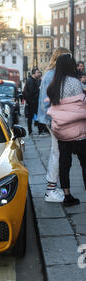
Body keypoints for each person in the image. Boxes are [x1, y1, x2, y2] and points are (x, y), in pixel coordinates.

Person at [47, 53, 86, 206]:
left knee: (64, 163)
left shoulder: (54, 85)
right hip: (77, 131)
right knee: (84, 163)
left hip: (61, 132)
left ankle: (67, 195)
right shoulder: (75, 83)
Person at [37, 47, 70, 202]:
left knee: (57, 152)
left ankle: (53, 188)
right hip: (55, 120)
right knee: (57, 153)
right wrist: (53, 120)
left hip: (55, 119)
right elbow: (45, 102)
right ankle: (50, 190)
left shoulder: (53, 74)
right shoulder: (52, 75)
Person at [24, 67, 42, 135]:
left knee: (33, 117)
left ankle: (34, 130)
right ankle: (32, 130)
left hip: (34, 102)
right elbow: (31, 92)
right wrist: (38, 89)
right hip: (32, 102)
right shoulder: (31, 81)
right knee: (31, 117)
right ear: (34, 73)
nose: (39, 74)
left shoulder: (34, 80)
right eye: (37, 72)